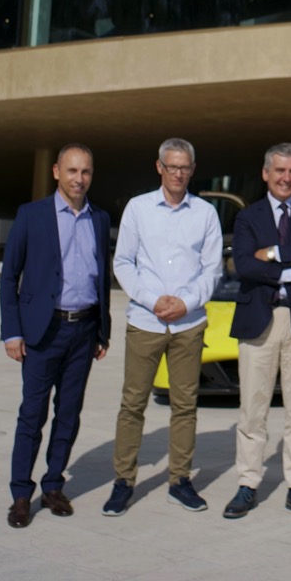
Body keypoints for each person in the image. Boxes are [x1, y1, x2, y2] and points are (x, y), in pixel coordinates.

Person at [106, 137, 222, 516]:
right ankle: (124, 481)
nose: (178, 174)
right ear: (159, 167)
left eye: (184, 167)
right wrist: (152, 299)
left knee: (185, 406)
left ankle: (179, 480)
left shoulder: (206, 213)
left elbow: (212, 270)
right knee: (132, 404)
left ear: (192, 170)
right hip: (145, 321)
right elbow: (123, 263)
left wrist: (185, 303)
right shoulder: (138, 208)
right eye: (172, 166)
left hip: (189, 324)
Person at [0, 144, 112, 528]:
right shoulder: (31, 215)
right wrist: (12, 332)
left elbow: (101, 277)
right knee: (32, 415)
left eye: (86, 172)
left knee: (68, 413)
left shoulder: (100, 219)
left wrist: (102, 330)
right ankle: (20, 494)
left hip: (84, 330)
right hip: (42, 332)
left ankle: (52, 486)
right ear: (56, 172)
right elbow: (9, 276)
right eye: (72, 171)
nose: (79, 179)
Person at [223, 143, 291, 520]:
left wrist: (273, 252)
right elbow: (243, 264)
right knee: (252, 410)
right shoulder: (248, 217)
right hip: (260, 321)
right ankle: (248, 484)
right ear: (265, 173)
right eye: (280, 171)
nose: (286, 178)